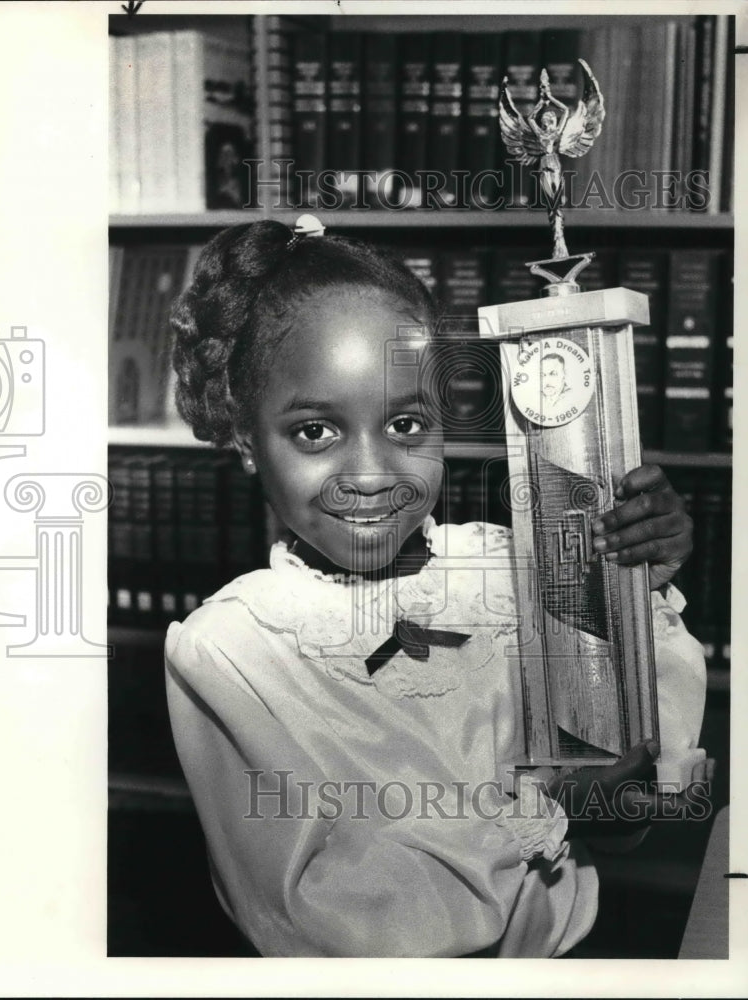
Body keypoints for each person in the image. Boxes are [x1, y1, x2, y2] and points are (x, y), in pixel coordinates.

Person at [164, 219, 706, 958]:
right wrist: (544, 813)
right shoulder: (234, 649)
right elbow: (333, 925)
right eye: (315, 431)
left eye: (405, 423)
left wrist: (632, 591)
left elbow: (625, 817)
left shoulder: (508, 571)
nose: (371, 472)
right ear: (244, 436)